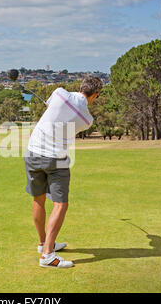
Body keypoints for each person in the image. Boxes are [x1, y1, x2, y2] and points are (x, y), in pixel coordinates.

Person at [24, 76, 103, 268]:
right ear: (95, 95)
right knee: (60, 205)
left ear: (80, 86)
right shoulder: (87, 120)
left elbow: (52, 108)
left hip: (32, 152)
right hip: (55, 159)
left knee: (38, 199)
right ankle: (48, 255)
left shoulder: (59, 93)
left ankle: (43, 243)